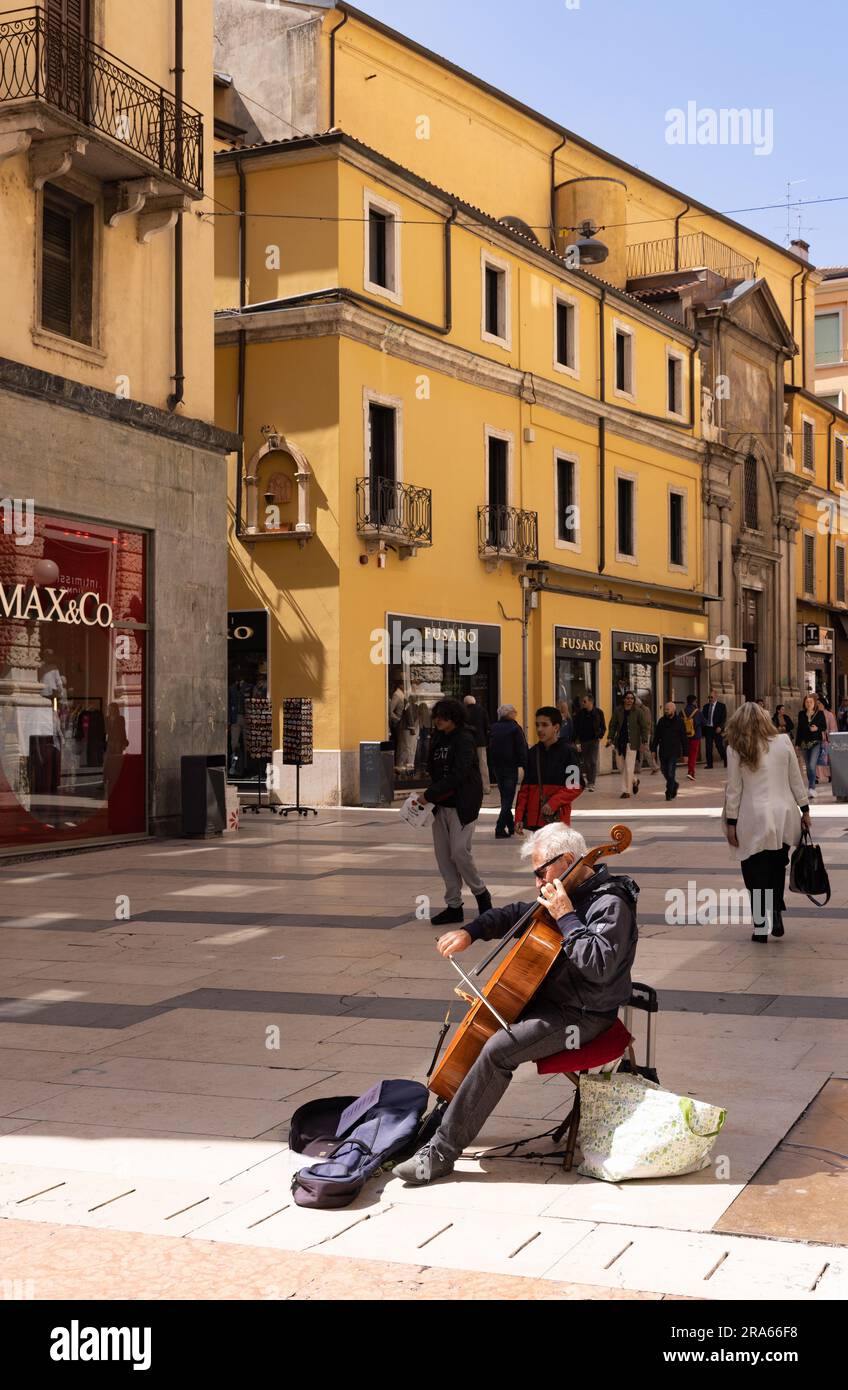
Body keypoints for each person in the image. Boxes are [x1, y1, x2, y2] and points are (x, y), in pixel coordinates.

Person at [393, 822, 639, 1185]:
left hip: (584, 1015)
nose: (539, 882)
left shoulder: (609, 902)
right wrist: (470, 932)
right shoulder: (566, 890)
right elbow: (515, 915)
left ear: (568, 860)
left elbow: (599, 967)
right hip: (555, 1001)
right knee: (487, 1025)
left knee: (498, 1050)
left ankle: (442, 1153)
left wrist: (566, 917)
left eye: (542, 872)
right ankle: (445, 1116)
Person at [724, 702, 810, 942]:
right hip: (783, 816)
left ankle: (760, 927)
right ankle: (777, 913)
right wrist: (805, 810)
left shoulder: (736, 748)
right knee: (776, 868)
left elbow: (734, 790)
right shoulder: (783, 742)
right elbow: (796, 778)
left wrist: (731, 823)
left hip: (752, 819)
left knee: (754, 875)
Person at [417, 698, 491, 926]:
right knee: (443, 857)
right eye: (436, 716)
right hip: (440, 806)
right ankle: (453, 905)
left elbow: (459, 774)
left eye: (442, 716)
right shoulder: (438, 738)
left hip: (463, 804)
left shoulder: (466, 738)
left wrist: (430, 793)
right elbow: (434, 768)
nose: (437, 720)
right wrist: (432, 796)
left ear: (454, 717)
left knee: (459, 852)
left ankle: (482, 895)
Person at [515, 706, 583, 833]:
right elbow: (525, 789)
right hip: (534, 822)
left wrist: (554, 803)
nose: (539, 729)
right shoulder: (532, 753)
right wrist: (519, 817)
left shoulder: (568, 752)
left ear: (556, 727)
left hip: (556, 820)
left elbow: (575, 786)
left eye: (545, 725)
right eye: (537, 725)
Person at [489, 704, 528, 838]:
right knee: (508, 798)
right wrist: (525, 764)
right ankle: (499, 828)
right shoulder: (514, 728)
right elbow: (521, 747)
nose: (516, 713)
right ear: (510, 713)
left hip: (497, 766)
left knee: (504, 796)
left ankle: (510, 826)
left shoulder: (493, 727)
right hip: (510, 766)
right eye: (514, 712)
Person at [607, 691, 650, 799]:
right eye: (627, 698)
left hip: (632, 743)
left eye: (631, 698)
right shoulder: (618, 711)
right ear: (624, 699)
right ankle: (635, 780)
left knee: (629, 766)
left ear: (634, 700)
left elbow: (644, 727)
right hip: (619, 742)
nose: (629, 700)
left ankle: (626, 791)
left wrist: (644, 740)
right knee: (621, 766)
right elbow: (612, 725)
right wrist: (610, 737)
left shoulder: (638, 712)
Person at [651, 700, 688, 800]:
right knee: (664, 771)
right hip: (663, 751)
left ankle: (669, 792)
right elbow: (656, 737)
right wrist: (653, 750)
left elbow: (684, 738)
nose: (666, 711)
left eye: (668, 709)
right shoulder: (661, 721)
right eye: (665, 709)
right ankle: (674, 785)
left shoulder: (680, 721)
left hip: (674, 751)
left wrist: (686, 754)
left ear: (673, 710)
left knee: (671, 772)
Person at [795, 693, 827, 799]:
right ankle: (811, 787)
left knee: (812, 765)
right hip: (804, 743)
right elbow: (799, 729)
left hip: (815, 742)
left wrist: (817, 728)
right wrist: (797, 744)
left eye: (811, 702)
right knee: (808, 768)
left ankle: (811, 788)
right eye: (807, 702)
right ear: (804, 703)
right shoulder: (801, 714)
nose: (809, 704)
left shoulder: (820, 713)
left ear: (814, 703)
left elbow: (824, 726)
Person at [573, 694, 606, 792]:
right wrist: (575, 740)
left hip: (594, 740)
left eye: (584, 701)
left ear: (591, 702)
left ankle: (592, 782)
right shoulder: (580, 713)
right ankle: (589, 781)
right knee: (586, 762)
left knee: (592, 761)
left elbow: (603, 727)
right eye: (582, 701)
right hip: (584, 740)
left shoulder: (599, 712)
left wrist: (600, 736)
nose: (582, 703)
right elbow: (576, 728)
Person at [462, 695, 491, 795]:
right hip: (480, 742)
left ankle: (470, 787)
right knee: (483, 764)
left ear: (465, 703)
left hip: (467, 742)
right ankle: (486, 787)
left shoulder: (464, 711)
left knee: (468, 764)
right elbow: (487, 726)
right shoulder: (482, 710)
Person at [701, 687, 728, 769]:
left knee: (719, 746)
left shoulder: (721, 706)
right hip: (708, 729)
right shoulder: (705, 706)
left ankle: (726, 760)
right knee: (708, 747)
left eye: (711, 697)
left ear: (716, 697)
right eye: (709, 697)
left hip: (717, 729)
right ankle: (709, 764)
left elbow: (724, 718)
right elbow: (703, 717)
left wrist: (720, 727)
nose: (710, 699)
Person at [683, 694, 703, 780]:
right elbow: (703, 722)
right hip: (695, 736)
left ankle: (689, 770)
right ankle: (691, 772)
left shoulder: (682, 711)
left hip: (685, 736)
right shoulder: (697, 711)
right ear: (694, 701)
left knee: (687, 753)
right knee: (693, 754)